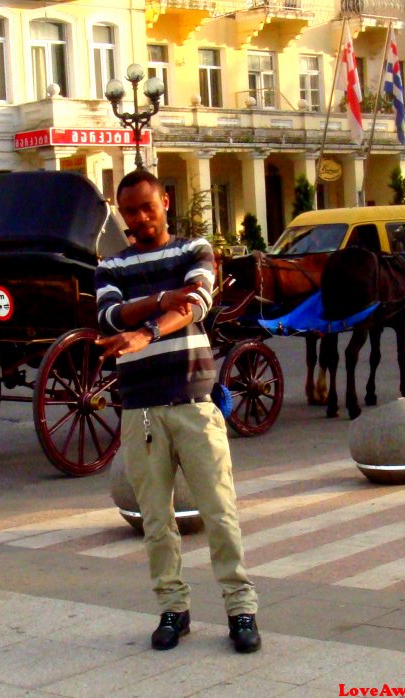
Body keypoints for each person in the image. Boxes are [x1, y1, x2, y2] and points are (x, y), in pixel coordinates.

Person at [94, 169, 260, 654]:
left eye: (148, 207)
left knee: (220, 512)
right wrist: (161, 299)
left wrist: (148, 328)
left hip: (193, 403)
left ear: (165, 201)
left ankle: (240, 608)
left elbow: (199, 301)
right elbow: (106, 315)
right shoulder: (112, 266)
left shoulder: (194, 250)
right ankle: (173, 608)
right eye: (130, 212)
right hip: (140, 410)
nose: (140, 219)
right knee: (156, 521)